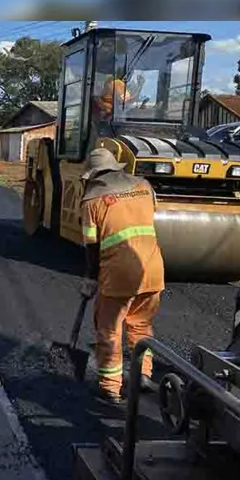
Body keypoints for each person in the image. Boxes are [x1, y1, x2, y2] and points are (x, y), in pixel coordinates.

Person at [80, 147, 164, 405]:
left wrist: (90, 278)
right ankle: (143, 375)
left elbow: (92, 246)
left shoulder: (91, 200)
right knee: (141, 326)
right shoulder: (144, 186)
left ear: (92, 175)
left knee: (109, 330)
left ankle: (110, 387)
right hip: (152, 269)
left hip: (118, 275)